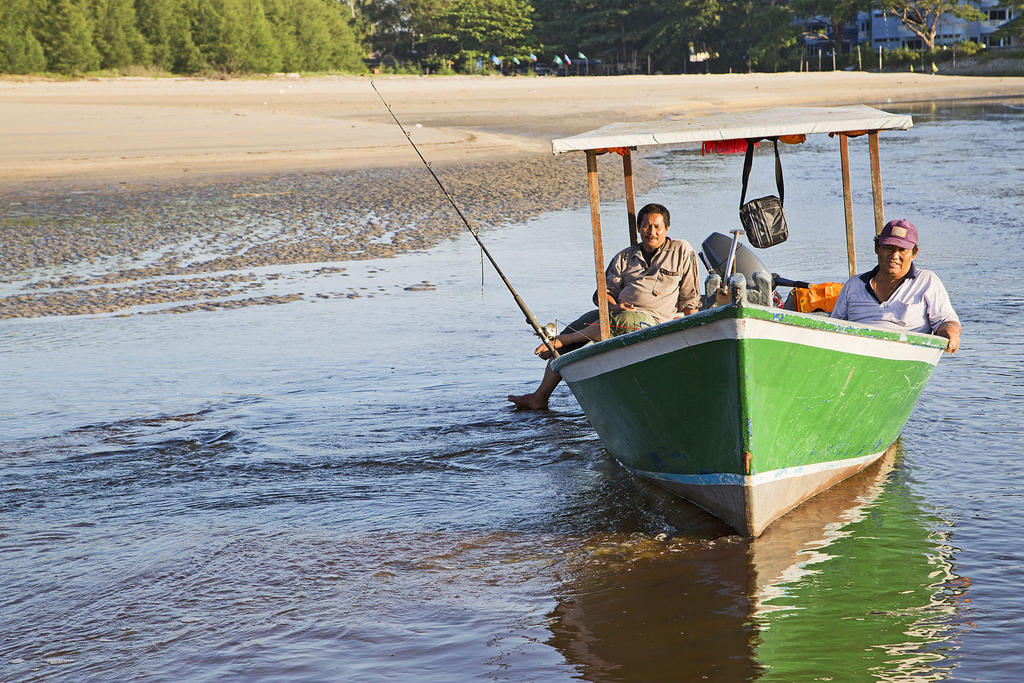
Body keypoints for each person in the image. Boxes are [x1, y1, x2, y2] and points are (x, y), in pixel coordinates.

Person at [507, 203, 701, 410]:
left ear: (667, 229)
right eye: (646, 226)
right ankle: (540, 396)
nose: (651, 232)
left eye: (657, 227)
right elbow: (604, 294)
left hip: (653, 319)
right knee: (575, 327)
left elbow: (690, 298)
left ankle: (565, 340)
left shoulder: (681, 250)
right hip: (616, 312)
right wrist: (616, 306)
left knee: (616, 324)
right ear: (639, 228)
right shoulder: (624, 257)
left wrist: (693, 337)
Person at [830, 218, 961, 353]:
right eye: (888, 248)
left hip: (906, 356)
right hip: (856, 354)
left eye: (902, 250)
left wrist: (950, 331)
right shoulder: (854, 284)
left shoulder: (926, 281)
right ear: (877, 248)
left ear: (914, 253)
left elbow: (946, 320)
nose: (894, 255)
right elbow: (833, 327)